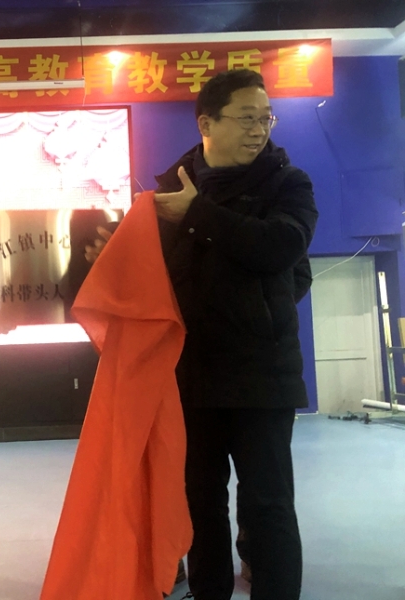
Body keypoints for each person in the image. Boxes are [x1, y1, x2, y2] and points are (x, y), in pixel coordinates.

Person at [152, 68, 318, 600]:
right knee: (200, 506)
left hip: (262, 377)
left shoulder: (288, 184)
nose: (259, 129)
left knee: (268, 507)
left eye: (266, 118)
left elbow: (282, 251)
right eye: (247, 118)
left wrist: (199, 216)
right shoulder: (167, 193)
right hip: (191, 378)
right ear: (206, 124)